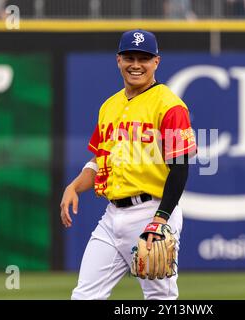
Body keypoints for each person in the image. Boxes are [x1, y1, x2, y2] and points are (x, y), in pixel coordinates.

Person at [60, 29, 197, 300]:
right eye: (129, 57)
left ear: (156, 62)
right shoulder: (109, 106)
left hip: (152, 212)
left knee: (160, 299)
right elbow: (101, 159)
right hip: (113, 216)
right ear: (118, 60)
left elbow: (180, 168)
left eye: (144, 58)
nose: (136, 65)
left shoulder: (169, 106)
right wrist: (75, 186)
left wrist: (161, 219)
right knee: (84, 296)